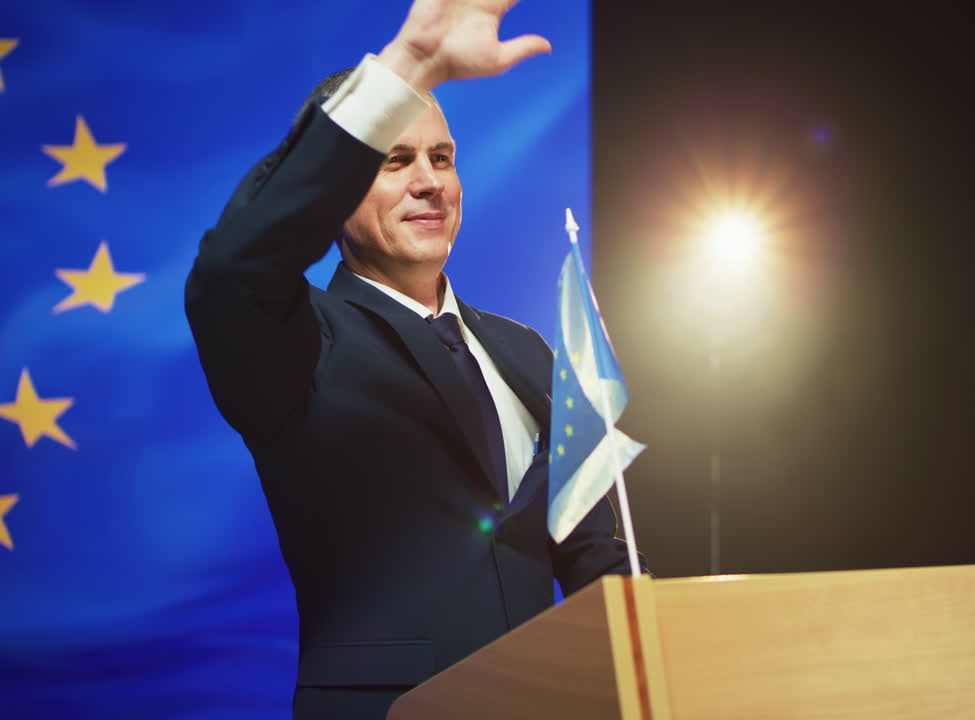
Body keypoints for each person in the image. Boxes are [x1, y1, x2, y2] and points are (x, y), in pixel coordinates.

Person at [184, 2, 641, 717]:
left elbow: (594, 556)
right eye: (395, 161)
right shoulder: (293, 339)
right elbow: (232, 269)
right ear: (334, 197)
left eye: (442, 158)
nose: (430, 181)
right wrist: (410, 66)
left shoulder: (528, 350)